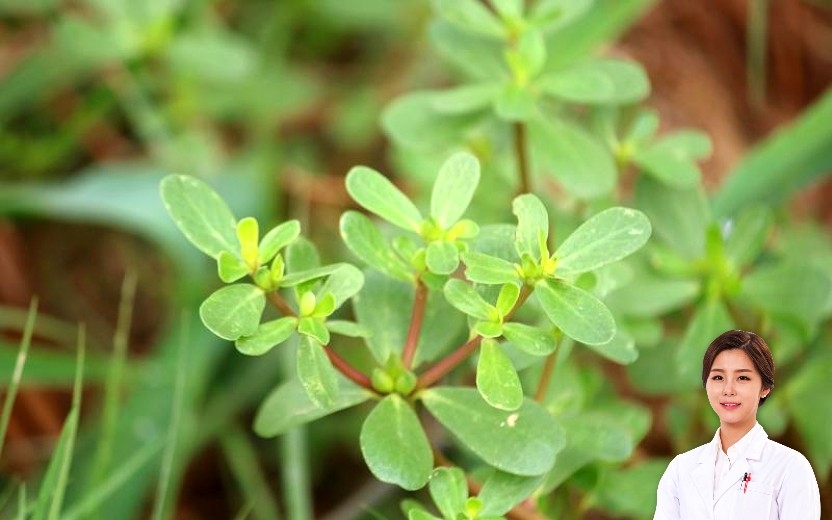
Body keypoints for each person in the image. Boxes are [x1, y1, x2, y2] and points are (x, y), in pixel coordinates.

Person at [654, 330, 821, 519]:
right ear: (705, 384)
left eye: (743, 378)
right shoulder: (680, 468)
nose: (728, 390)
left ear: (765, 388)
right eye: (718, 377)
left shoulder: (791, 467)